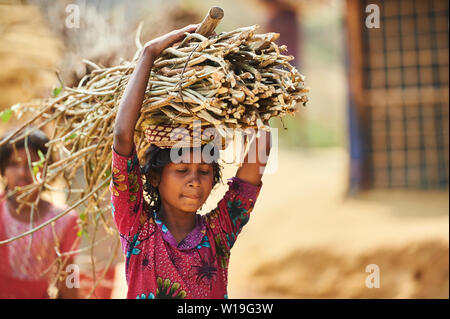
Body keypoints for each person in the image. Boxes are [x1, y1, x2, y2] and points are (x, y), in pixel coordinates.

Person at [111, 24, 272, 299]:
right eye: (182, 170)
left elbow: (259, 155)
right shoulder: (138, 227)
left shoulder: (220, 230)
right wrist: (148, 54)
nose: (194, 181)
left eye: (205, 172)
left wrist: (256, 94)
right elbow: (123, 136)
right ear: (154, 177)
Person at [0, 128, 79, 298]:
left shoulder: (63, 220)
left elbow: (69, 279)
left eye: (31, 165)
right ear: (3, 169)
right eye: (14, 164)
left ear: (47, 169)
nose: (22, 173)